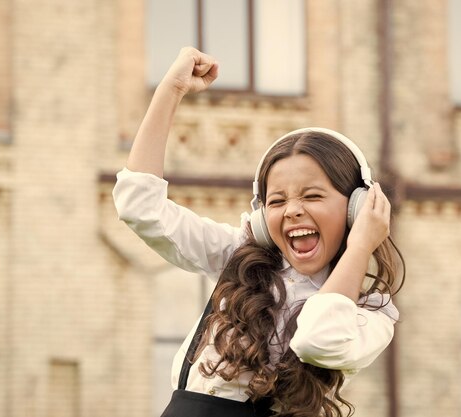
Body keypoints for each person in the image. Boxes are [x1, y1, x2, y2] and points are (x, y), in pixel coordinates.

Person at [112, 47, 404, 417]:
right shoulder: (240, 256)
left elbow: (319, 338)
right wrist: (169, 91)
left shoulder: (371, 312)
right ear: (263, 217)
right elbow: (141, 209)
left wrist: (360, 245)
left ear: (355, 207)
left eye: (313, 195)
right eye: (277, 201)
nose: (294, 209)